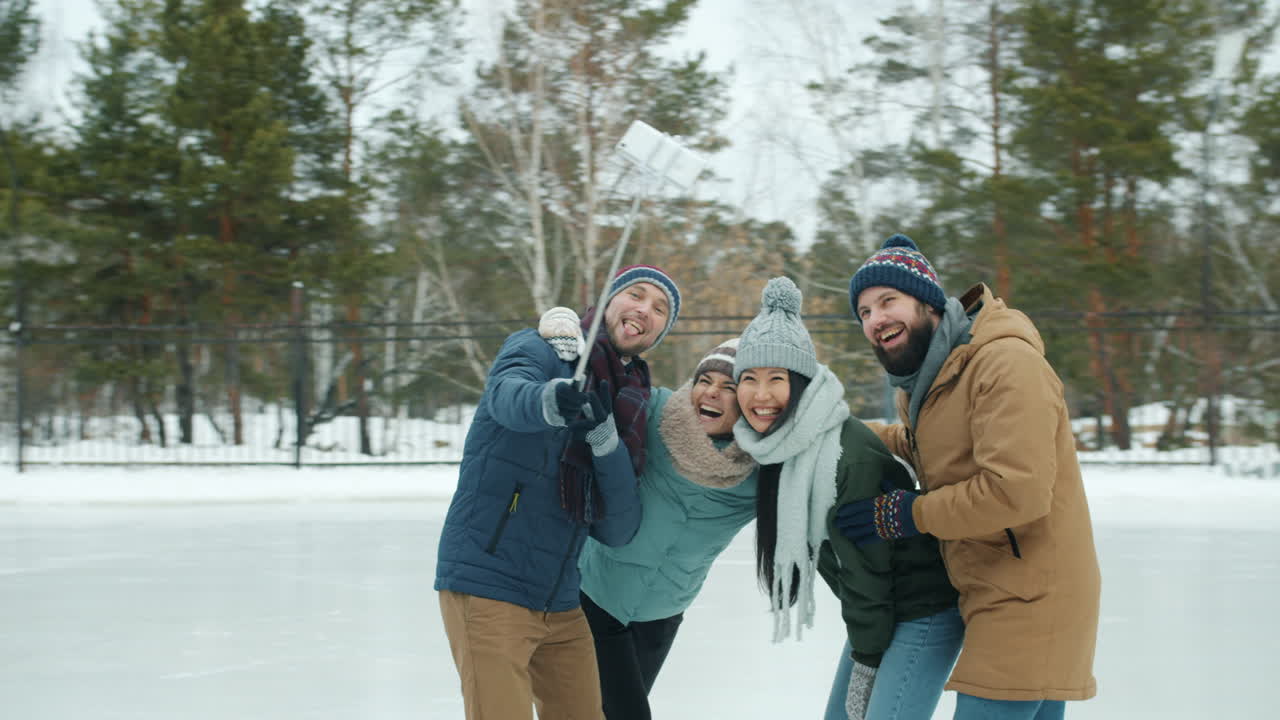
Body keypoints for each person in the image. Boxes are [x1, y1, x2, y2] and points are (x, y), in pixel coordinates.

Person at [838, 234, 1101, 720]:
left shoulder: (1004, 363)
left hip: (1030, 592)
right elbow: (922, 445)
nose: (875, 320)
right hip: (988, 582)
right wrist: (838, 431)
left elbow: (1016, 491)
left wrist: (908, 514)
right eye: (864, 313)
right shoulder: (934, 376)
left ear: (928, 303)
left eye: (887, 301)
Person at [434, 264, 681, 720]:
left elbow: (618, 528)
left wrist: (604, 439)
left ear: (661, 330)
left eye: (660, 308)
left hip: (562, 601)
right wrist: (552, 399)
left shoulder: (631, 404)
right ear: (609, 300)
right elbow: (507, 395)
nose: (644, 309)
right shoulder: (538, 349)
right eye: (636, 294)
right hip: (491, 583)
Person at [731, 276, 963, 720]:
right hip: (883, 610)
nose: (761, 395)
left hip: (923, 608)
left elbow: (867, 574)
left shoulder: (839, 458)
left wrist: (868, 664)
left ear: (801, 384)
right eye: (749, 379)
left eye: (777, 379)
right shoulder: (781, 447)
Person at [573, 336, 759, 720]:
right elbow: (598, 372)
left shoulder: (759, 470)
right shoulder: (654, 413)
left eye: (729, 387)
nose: (711, 393)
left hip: (662, 614)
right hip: (599, 593)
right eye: (705, 380)